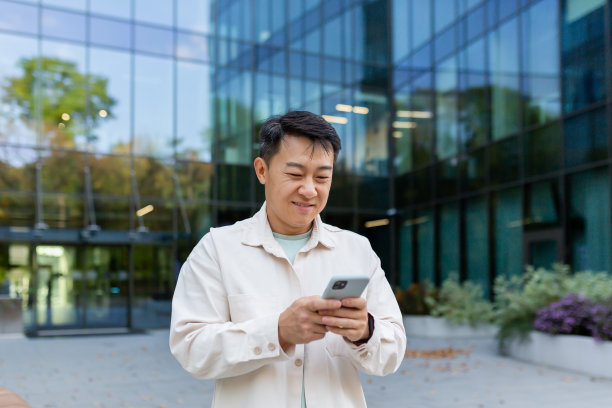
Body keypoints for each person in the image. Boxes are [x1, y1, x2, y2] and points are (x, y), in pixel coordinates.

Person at [169, 111, 406, 407]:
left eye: (322, 177)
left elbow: (393, 352)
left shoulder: (357, 250)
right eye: (295, 174)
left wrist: (365, 332)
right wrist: (277, 332)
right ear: (262, 171)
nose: (309, 190)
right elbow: (191, 348)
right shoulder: (217, 249)